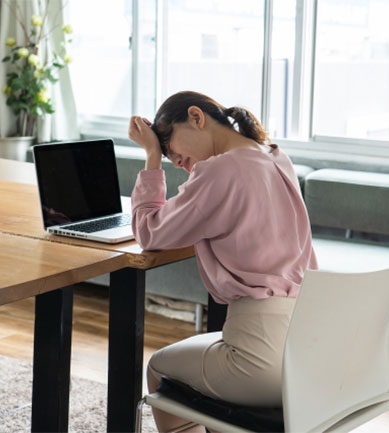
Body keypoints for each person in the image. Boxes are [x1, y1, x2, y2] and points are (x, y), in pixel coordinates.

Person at [128, 90, 318, 433]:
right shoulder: (276, 157)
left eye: (173, 148)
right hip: (309, 353)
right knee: (205, 384)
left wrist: (152, 156)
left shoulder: (219, 171)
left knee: (159, 368)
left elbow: (148, 231)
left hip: (259, 358)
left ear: (196, 117)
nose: (177, 162)